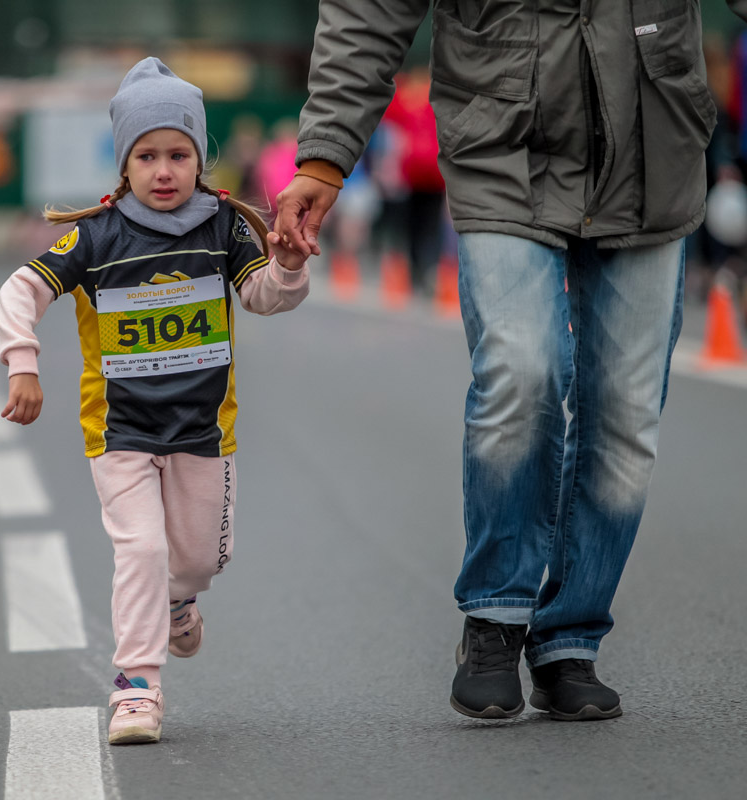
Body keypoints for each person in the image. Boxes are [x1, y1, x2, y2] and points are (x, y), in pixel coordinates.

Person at [274, 2, 747, 721]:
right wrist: (325, 155)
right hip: (503, 140)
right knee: (522, 372)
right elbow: (368, 13)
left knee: (625, 416)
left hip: (654, 142)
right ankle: (496, 616)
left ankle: (570, 639)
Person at [0, 57, 310, 744]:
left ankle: (180, 600)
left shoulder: (224, 228)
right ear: (124, 164)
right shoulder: (96, 236)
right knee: (139, 548)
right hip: (121, 432)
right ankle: (137, 687)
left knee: (195, 561)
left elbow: (261, 298)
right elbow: (22, 288)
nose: (163, 169)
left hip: (203, 431)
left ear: (200, 158)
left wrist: (287, 266)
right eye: (147, 155)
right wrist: (22, 362)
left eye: (178, 153)